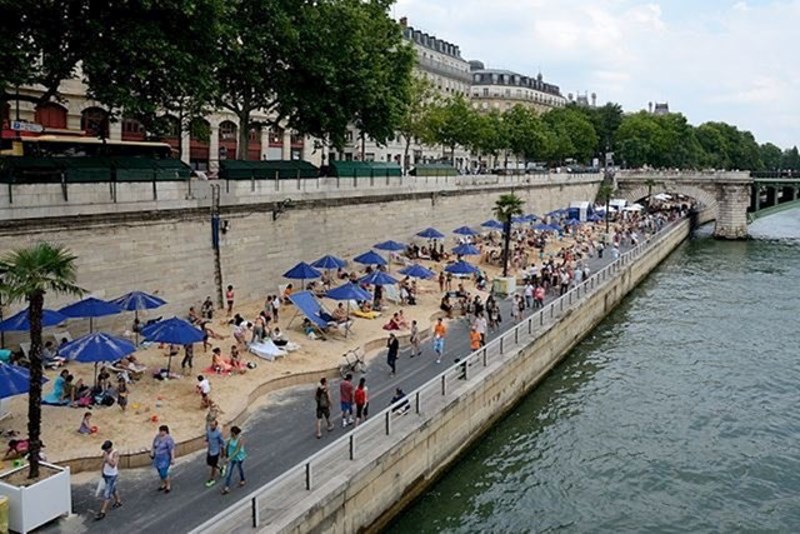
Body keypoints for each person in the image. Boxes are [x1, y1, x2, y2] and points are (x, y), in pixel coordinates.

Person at [95, 440, 122, 520]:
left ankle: (103, 511)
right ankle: (118, 501)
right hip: (106, 474)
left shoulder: (115, 453)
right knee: (113, 488)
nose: (105, 451)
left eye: (106, 449)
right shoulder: (105, 453)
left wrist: (107, 459)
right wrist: (102, 471)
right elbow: (103, 462)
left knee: (107, 493)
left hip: (112, 475)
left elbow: (114, 465)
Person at [151, 425, 176, 493]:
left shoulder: (169, 439)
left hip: (165, 458)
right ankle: (163, 484)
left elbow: (171, 449)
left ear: (165, 431)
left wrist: (172, 458)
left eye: (162, 431)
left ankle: (168, 485)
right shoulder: (157, 437)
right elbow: (153, 446)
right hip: (158, 458)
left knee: (163, 472)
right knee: (159, 471)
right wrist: (152, 453)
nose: (160, 432)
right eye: (160, 431)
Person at [221, 426, 246, 495]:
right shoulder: (231, 438)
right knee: (229, 472)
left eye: (232, 432)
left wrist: (229, 458)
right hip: (231, 457)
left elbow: (237, 450)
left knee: (239, 468)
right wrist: (226, 453)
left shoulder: (240, 439)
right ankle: (226, 487)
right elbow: (228, 445)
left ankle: (242, 479)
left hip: (238, 457)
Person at [205, 419, 226, 487]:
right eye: (211, 425)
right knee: (210, 463)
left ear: (216, 425)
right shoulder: (208, 431)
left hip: (216, 452)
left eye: (213, 425)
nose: (211, 426)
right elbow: (207, 438)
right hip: (210, 450)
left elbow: (222, 442)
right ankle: (220, 468)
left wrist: (223, 452)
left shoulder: (218, 433)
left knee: (213, 466)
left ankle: (212, 479)